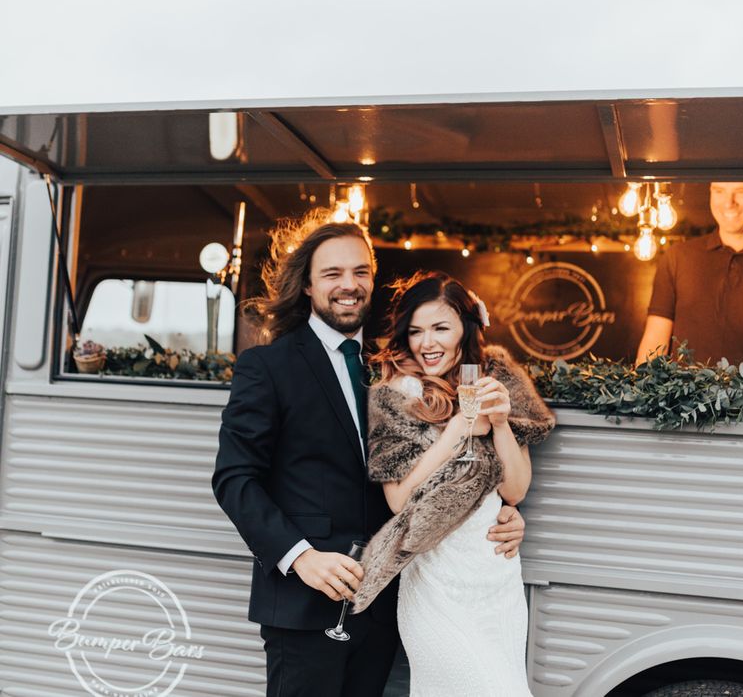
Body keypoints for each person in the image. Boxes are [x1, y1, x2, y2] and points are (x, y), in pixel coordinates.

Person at [212, 218, 527, 697]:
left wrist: (502, 512)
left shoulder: (395, 367)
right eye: (333, 273)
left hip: (382, 605)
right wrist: (300, 558)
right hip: (305, 603)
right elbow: (235, 480)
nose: (348, 284)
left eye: (360, 272)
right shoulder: (268, 365)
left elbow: (433, 471)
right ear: (308, 284)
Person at [352, 271, 555, 697]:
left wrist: (499, 423)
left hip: (493, 578)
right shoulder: (394, 395)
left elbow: (515, 491)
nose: (427, 343)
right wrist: (458, 429)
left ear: (466, 326)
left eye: (441, 328)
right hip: (434, 584)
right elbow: (398, 499)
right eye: (416, 331)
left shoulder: (496, 380)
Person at [636, 181, 743, 366]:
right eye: (719, 191)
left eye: (741, 191)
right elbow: (655, 339)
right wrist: (642, 391)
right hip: (685, 394)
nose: (728, 202)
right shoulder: (679, 256)